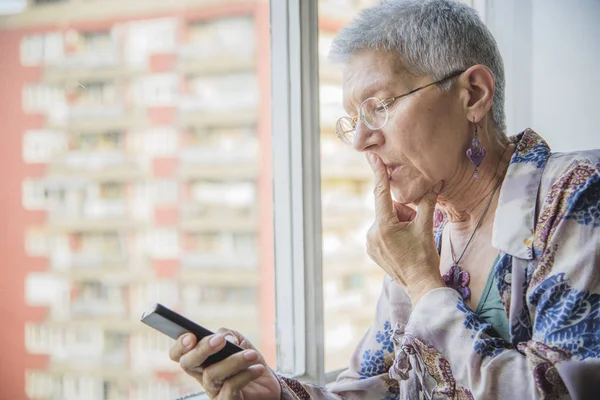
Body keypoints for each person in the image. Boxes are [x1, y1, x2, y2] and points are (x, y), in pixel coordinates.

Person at [169, 0, 600, 398]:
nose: (360, 140)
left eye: (379, 105)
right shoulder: (424, 230)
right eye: (353, 119)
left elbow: (560, 391)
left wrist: (423, 284)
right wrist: (276, 393)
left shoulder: (575, 193)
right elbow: (382, 388)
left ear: (473, 95)